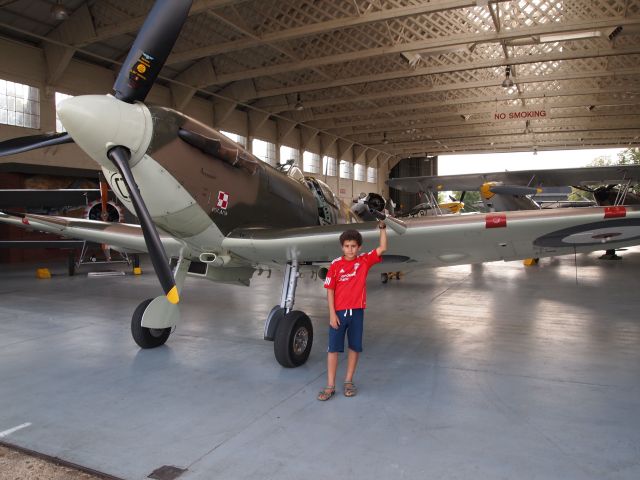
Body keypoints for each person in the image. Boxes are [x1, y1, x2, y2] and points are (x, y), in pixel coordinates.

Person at [317, 220, 388, 401]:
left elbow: (382, 248)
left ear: (359, 247)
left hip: (357, 312)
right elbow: (330, 290)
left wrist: (382, 229)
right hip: (339, 314)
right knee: (333, 349)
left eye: (353, 246)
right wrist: (332, 314)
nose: (350, 249)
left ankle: (348, 381)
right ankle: (330, 385)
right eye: (347, 246)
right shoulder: (335, 265)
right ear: (342, 247)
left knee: (354, 347)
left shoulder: (364, 261)